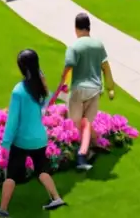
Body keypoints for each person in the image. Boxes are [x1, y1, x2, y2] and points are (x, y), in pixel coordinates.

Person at [0, 49, 66, 217]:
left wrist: (5, 143)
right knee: (42, 170)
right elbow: (47, 101)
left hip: (22, 140)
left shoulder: (19, 91)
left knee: (12, 175)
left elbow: (12, 121)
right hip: (40, 138)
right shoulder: (40, 87)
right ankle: (56, 198)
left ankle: (3, 209)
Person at [56, 13, 115, 172]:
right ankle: (94, 144)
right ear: (89, 27)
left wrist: (62, 85)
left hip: (79, 89)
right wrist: (110, 87)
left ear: (76, 28)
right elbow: (106, 67)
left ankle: (83, 155)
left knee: (77, 122)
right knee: (86, 122)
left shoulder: (74, 47)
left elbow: (68, 68)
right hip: (95, 89)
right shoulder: (98, 45)